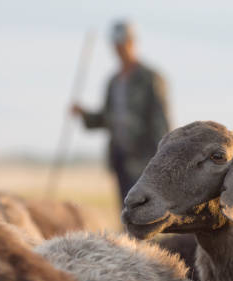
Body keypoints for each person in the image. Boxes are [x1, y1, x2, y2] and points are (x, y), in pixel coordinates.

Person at [72, 21, 170, 204]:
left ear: (133, 42)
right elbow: (107, 118)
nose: (120, 50)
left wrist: (161, 161)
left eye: (124, 44)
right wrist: (83, 114)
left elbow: (161, 122)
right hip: (120, 159)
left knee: (146, 211)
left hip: (144, 161)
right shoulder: (114, 82)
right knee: (126, 210)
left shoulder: (150, 78)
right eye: (116, 46)